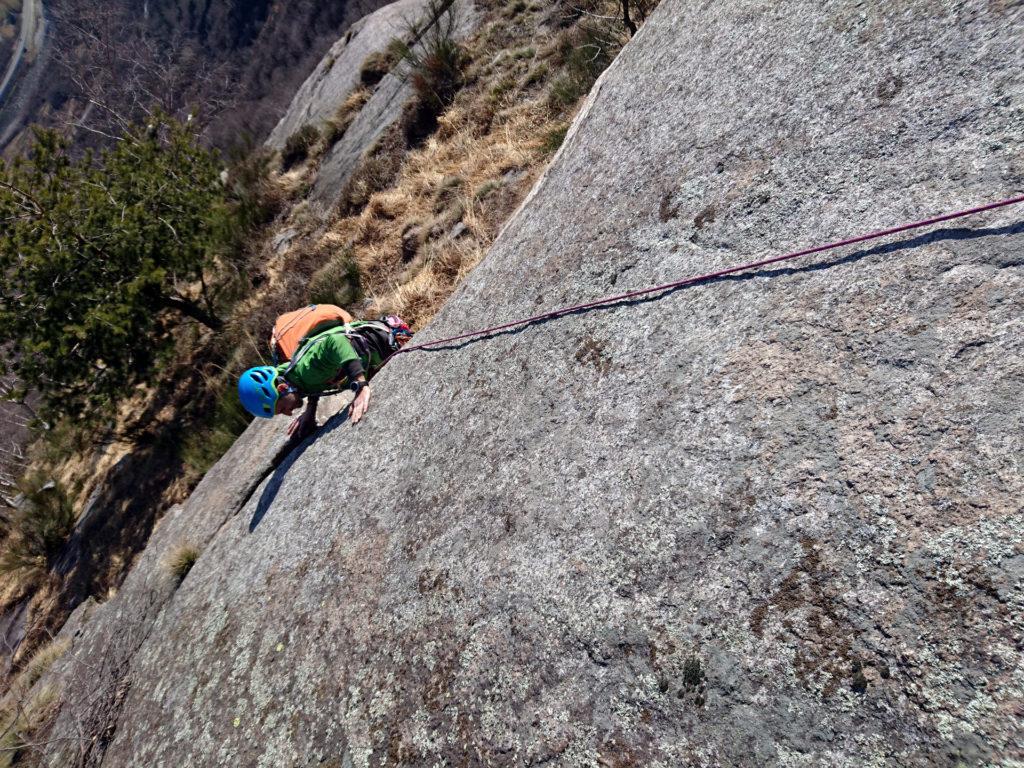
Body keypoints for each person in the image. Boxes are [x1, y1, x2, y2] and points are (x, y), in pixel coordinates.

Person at [238, 315, 413, 437]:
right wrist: (310, 409)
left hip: (386, 342)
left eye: (283, 409)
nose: (289, 413)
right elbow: (312, 382)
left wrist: (361, 386)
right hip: (377, 342)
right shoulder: (290, 375)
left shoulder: (305, 370)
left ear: (282, 388)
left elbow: (335, 342)